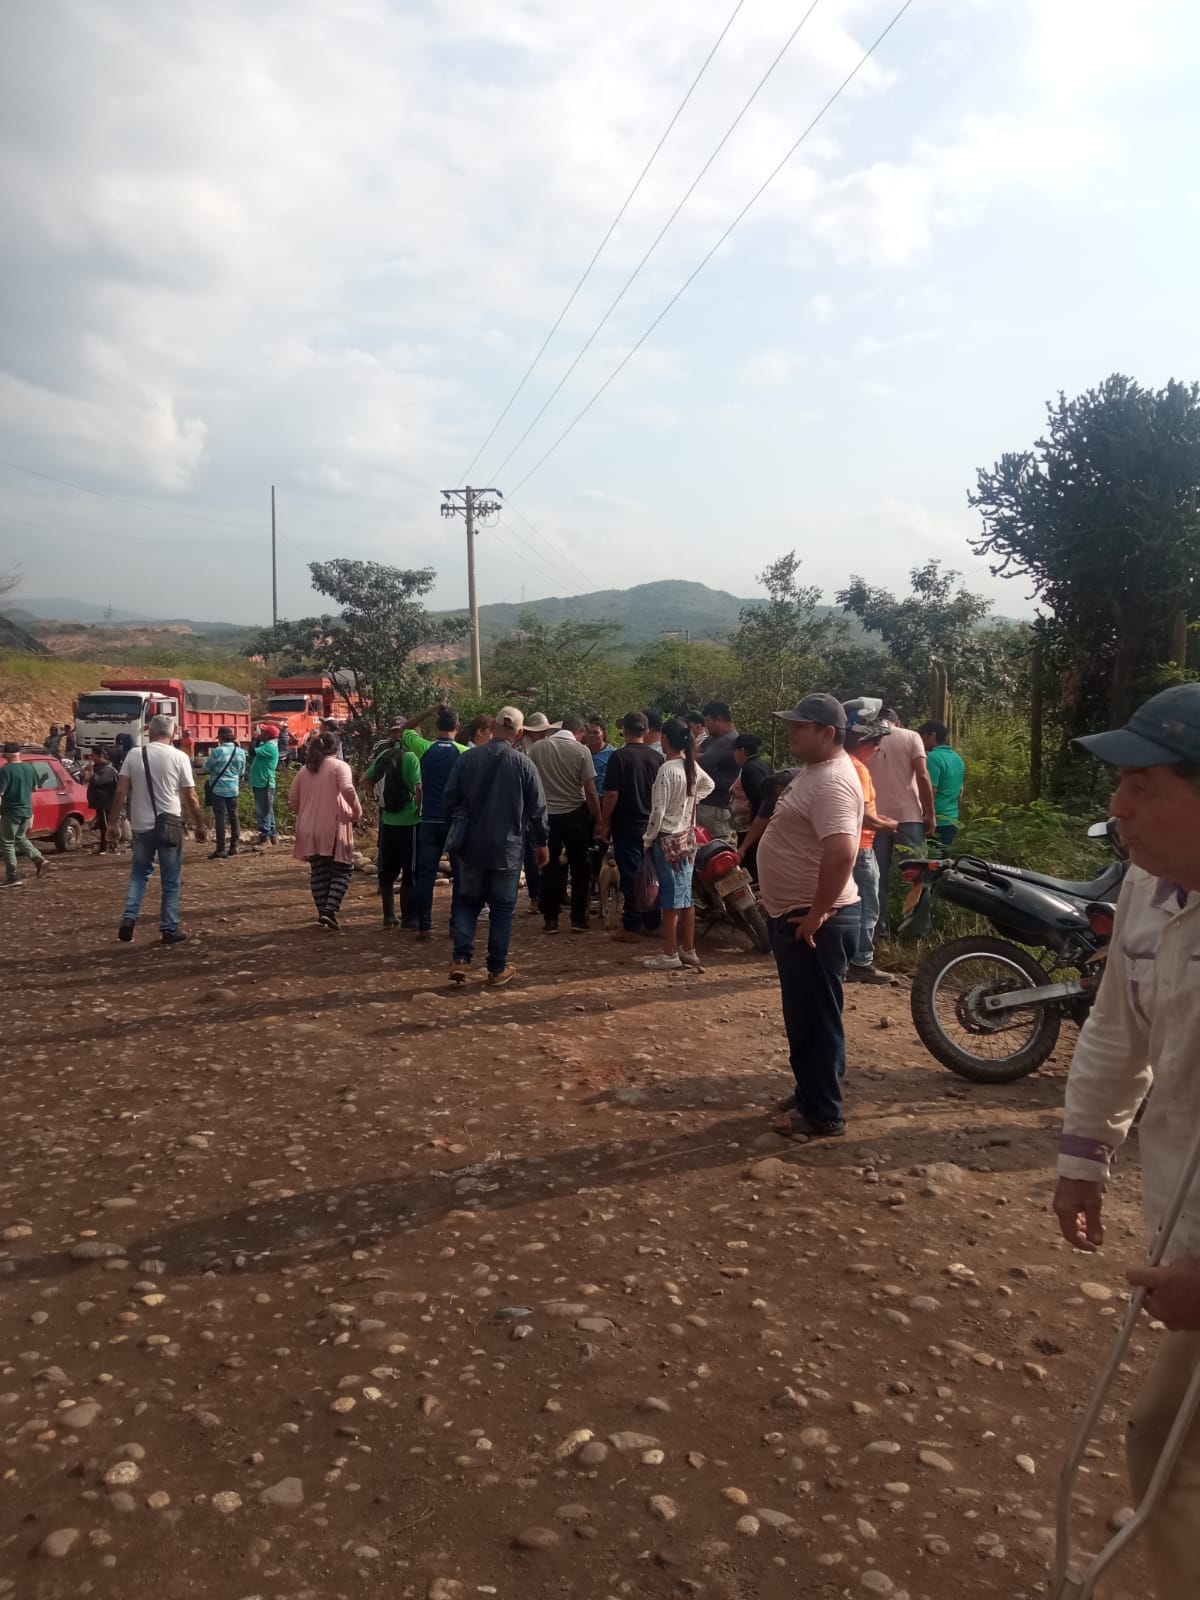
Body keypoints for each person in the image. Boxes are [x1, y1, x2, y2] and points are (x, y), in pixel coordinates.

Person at [1051, 683, 1200, 1600]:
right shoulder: (1151, 887)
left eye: (1143, 784)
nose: (1119, 806)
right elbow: (1115, 1026)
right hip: (1186, 1229)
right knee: (1160, 1444)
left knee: (1171, 1461)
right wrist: (1083, 1157)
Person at [757, 694, 863, 1141]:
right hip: (802, 913)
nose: (792, 731)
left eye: (801, 726)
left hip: (814, 918)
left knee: (814, 1019)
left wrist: (817, 913)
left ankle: (823, 1113)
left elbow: (842, 853)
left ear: (828, 733)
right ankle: (812, 1092)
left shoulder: (833, 781)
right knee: (810, 1016)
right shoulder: (815, 773)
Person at [442, 706, 549, 987]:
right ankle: (497, 968)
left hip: (471, 845)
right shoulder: (523, 763)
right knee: (502, 909)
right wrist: (542, 843)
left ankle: (461, 959)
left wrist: (453, 831)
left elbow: (449, 799)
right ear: (520, 732)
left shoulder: (468, 759)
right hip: (507, 848)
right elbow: (538, 809)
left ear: (494, 728)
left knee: (467, 902)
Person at [109, 714, 206, 943]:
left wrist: (112, 823)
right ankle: (169, 928)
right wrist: (200, 823)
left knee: (139, 873)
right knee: (170, 878)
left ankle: (130, 916)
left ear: (150, 732)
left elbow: (121, 791)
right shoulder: (179, 756)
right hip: (170, 824)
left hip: (141, 825)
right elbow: (190, 796)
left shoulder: (134, 754)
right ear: (172, 733)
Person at [642, 716, 713, 972]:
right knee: (685, 896)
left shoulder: (667, 769)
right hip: (687, 839)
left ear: (663, 739)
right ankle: (688, 949)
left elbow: (657, 813)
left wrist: (648, 840)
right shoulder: (689, 765)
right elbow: (709, 785)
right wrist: (690, 802)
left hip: (667, 839)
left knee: (670, 900)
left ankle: (670, 952)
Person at [527, 712, 602, 934]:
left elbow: (531, 784)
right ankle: (579, 919)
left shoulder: (537, 748)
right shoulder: (581, 751)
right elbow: (590, 791)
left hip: (546, 816)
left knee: (548, 866)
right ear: (578, 732)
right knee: (581, 867)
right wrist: (598, 820)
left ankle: (550, 918)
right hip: (574, 815)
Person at [597, 712, 663, 943]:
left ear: (624, 730)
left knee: (631, 876)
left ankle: (633, 924)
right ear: (646, 731)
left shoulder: (619, 757)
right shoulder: (657, 758)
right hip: (652, 825)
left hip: (627, 825)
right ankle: (653, 922)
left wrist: (604, 822)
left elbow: (611, 794)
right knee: (652, 874)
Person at [289, 731, 363, 930]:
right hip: (333, 825)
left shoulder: (305, 770)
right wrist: (356, 810)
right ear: (336, 748)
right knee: (343, 869)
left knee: (319, 871)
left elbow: (292, 798)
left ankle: (323, 912)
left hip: (307, 827)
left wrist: (303, 813)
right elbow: (348, 789)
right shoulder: (340, 766)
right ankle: (330, 910)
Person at [844, 722, 898, 985]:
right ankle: (862, 961)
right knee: (867, 904)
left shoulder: (841, 764)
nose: (877, 750)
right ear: (864, 743)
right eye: (876, 744)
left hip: (847, 843)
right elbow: (865, 816)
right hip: (863, 847)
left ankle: (844, 958)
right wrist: (888, 825)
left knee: (847, 903)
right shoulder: (859, 769)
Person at [870, 707, 935, 923]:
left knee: (876, 878)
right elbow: (923, 776)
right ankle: (917, 929)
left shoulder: (867, 740)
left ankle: (876, 931)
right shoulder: (911, 736)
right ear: (897, 722)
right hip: (909, 816)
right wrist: (930, 814)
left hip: (875, 820)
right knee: (918, 877)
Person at [414, 707, 466, 939]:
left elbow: (405, 728)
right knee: (460, 874)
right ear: (458, 728)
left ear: (436, 728)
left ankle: (424, 924)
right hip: (456, 821)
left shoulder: (424, 747)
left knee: (426, 874)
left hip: (428, 819)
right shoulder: (464, 752)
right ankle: (455, 923)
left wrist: (430, 710)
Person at [364, 730, 422, 929]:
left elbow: (365, 781)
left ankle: (388, 916)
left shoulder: (383, 755)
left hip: (388, 821)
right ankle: (409, 918)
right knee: (410, 871)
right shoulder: (412, 758)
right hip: (410, 822)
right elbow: (418, 788)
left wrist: (378, 800)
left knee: (387, 872)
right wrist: (420, 811)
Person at [516, 713, 557, 914]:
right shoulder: (521, 749)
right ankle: (536, 895)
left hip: (544, 804)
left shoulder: (541, 746)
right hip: (529, 807)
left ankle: (546, 893)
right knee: (532, 852)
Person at [0, 745, 48, 887]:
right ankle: (39, 859)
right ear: (19, 754)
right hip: (26, 810)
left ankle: (13, 876)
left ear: (6, 754)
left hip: (11, 811)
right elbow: (35, 788)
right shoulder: (29, 768)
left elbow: (1, 792)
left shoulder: (5, 770)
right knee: (20, 838)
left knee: (7, 843)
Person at [917, 719, 965, 848]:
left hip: (935, 821)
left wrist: (926, 815)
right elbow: (960, 791)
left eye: (921, 735)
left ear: (932, 735)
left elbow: (931, 789)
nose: (920, 740)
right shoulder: (957, 758)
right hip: (952, 819)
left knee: (928, 864)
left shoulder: (933, 758)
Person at [698, 700, 740, 843]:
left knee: (719, 854)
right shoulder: (712, 739)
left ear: (719, 719)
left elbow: (701, 762)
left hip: (717, 808)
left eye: (708, 721)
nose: (706, 726)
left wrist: (697, 757)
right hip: (703, 804)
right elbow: (693, 754)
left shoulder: (731, 740)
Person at [203, 725, 247, 858]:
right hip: (233, 788)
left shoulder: (217, 751)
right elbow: (242, 772)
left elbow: (206, 768)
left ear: (221, 738)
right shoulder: (240, 752)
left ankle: (221, 849)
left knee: (220, 819)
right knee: (234, 817)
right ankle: (234, 847)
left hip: (218, 789)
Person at [250, 723, 280, 845]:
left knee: (263, 810)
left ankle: (265, 836)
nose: (261, 734)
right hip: (262, 782)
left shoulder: (269, 747)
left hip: (264, 783)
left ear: (268, 735)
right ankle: (272, 835)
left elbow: (252, 750)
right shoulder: (267, 745)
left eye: (263, 732)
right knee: (268, 809)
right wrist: (258, 739)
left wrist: (254, 737)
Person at [86, 746, 119, 853]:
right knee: (102, 825)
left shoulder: (108, 769)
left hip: (106, 802)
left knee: (106, 825)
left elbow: (97, 781)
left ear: (100, 756)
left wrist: (90, 772)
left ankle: (108, 846)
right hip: (100, 802)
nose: (92, 758)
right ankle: (107, 845)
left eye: (93, 755)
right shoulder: (100, 767)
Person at [584, 717, 616, 786]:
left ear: (604, 734)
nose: (591, 735)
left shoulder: (613, 754)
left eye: (596, 733)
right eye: (589, 732)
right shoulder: (581, 751)